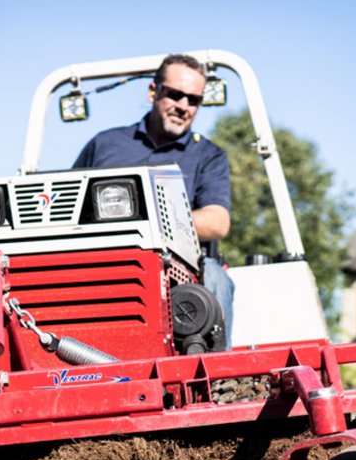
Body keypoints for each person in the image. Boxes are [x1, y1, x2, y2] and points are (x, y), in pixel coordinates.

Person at [72, 53, 235, 343]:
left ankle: (213, 373)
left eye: (193, 100)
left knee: (217, 277)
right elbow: (69, 208)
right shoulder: (105, 144)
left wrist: (149, 220)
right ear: (153, 92)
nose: (183, 106)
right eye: (175, 95)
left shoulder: (208, 155)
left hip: (179, 270)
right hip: (106, 260)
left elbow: (218, 222)